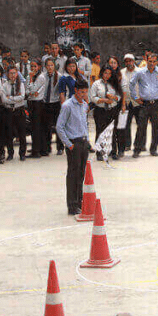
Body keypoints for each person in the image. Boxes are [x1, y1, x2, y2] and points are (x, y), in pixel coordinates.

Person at [56, 78, 90, 215]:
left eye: (86, 92)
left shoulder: (84, 105)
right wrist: (69, 145)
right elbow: (59, 127)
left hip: (83, 142)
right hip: (73, 143)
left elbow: (84, 124)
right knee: (73, 175)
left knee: (81, 174)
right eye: (82, 92)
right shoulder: (67, 106)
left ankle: (80, 201)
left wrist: (87, 140)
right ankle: (72, 205)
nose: (84, 95)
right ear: (75, 90)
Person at [129, 53, 158, 158]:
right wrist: (135, 97)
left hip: (157, 103)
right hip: (144, 104)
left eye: (154, 61)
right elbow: (131, 83)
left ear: (157, 62)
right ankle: (137, 149)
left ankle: (153, 149)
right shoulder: (140, 72)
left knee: (156, 127)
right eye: (150, 61)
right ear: (146, 61)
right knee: (141, 127)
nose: (152, 64)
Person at [90, 65, 121, 161]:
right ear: (101, 73)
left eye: (109, 73)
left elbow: (119, 96)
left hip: (112, 109)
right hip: (100, 110)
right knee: (100, 131)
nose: (107, 75)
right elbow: (93, 97)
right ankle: (99, 152)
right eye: (105, 73)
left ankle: (113, 152)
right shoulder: (96, 84)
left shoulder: (114, 84)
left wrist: (113, 97)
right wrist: (103, 100)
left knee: (113, 131)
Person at [2, 66, 28, 161]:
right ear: (7, 74)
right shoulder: (4, 85)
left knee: (22, 133)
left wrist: (10, 98)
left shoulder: (20, 84)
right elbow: (4, 99)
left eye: (14, 73)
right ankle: (10, 153)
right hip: (9, 111)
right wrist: (12, 99)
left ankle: (22, 153)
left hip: (19, 110)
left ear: (17, 74)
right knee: (9, 133)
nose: (12, 75)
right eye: (10, 73)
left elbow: (22, 97)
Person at [120, 54, 142, 154]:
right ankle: (127, 145)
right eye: (126, 61)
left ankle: (140, 144)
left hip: (138, 102)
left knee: (140, 124)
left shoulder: (140, 72)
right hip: (127, 102)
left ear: (134, 61)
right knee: (126, 124)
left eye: (130, 61)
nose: (129, 63)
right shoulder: (121, 72)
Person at [41, 58, 63, 156]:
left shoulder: (59, 76)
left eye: (51, 65)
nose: (50, 67)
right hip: (45, 103)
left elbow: (62, 91)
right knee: (47, 126)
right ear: (45, 67)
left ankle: (60, 147)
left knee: (58, 126)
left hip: (56, 103)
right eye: (48, 65)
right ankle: (47, 147)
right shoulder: (42, 77)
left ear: (54, 66)